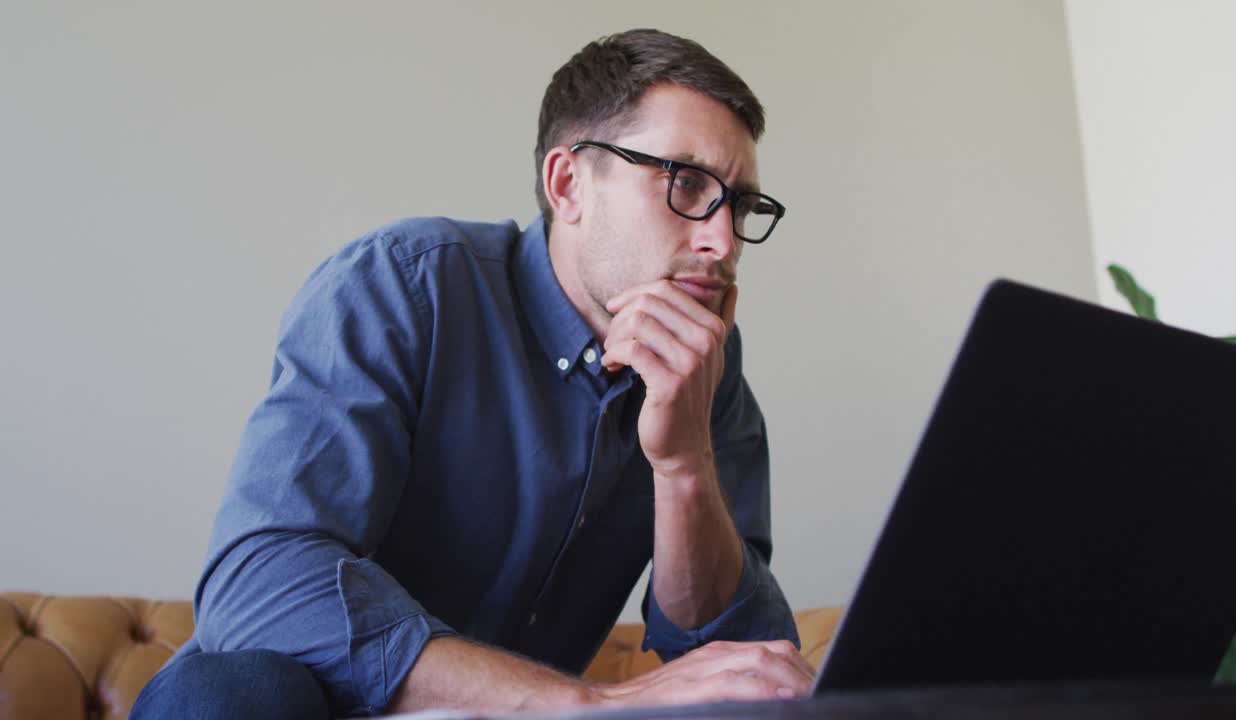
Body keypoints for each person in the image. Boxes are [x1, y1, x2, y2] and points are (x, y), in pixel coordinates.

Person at [131, 28, 812, 720]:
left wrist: (685, 463)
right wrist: (582, 701)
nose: (721, 242)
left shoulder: (707, 371)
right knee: (222, 693)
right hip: (303, 708)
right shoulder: (405, 286)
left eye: (742, 206)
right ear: (569, 182)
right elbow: (258, 582)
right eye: (686, 183)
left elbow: (750, 668)